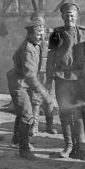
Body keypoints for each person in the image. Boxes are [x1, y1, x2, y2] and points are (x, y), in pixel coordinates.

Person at [46, 2, 85, 158]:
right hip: (62, 79)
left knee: (79, 112)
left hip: (79, 80)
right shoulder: (56, 34)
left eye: (72, 15)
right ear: (62, 17)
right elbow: (50, 60)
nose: (69, 17)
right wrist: (49, 80)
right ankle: (68, 146)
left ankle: (79, 147)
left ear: (77, 17)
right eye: (67, 15)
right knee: (64, 113)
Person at [7, 22, 54, 159]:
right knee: (27, 115)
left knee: (22, 111)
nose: (41, 37)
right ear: (30, 34)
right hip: (19, 84)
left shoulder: (35, 44)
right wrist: (44, 93)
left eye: (42, 34)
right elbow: (29, 75)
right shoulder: (28, 49)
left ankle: (16, 139)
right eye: (37, 34)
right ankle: (24, 148)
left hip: (23, 82)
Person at [28, 12, 57, 136]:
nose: (38, 23)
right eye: (35, 21)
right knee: (35, 100)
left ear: (44, 21)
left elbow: (56, 52)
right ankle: (34, 126)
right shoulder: (30, 36)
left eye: (40, 21)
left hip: (47, 72)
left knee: (48, 100)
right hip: (35, 73)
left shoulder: (52, 35)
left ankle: (49, 125)